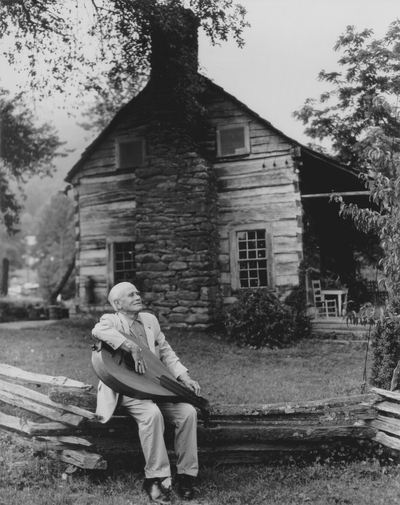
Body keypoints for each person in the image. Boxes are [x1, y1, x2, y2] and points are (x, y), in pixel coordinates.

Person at [92, 281, 201, 503]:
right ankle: (155, 478)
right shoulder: (111, 320)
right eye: (131, 295)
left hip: (153, 387)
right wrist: (130, 346)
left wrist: (184, 377)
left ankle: (186, 475)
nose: (137, 296)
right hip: (126, 390)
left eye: (138, 293)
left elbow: (166, 352)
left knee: (188, 412)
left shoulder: (150, 320)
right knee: (152, 414)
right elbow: (98, 330)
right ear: (117, 303)